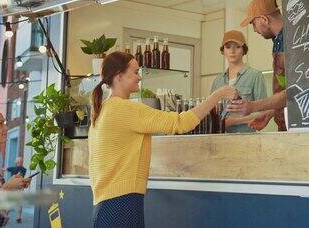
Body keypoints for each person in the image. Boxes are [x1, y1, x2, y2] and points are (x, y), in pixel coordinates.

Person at [89, 51, 237, 227]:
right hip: (121, 205)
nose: (139, 78)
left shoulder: (102, 109)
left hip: (107, 205)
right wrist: (217, 95)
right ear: (119, 76)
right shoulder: (125, 109)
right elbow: (182, 123)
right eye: (135, 72)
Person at [229, 0, 287, 131]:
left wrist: (253, 106)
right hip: (284, 123)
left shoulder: (291, 41)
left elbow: (295, 91)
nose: (254, 30)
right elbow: (285, 88)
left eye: (253, 24)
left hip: (298, 126)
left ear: (264, 19)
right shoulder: (278, 42)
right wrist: (271, 112)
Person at [210, 30, 270, 133]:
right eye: (228, 47)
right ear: (223, 51)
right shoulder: (217, 80)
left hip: (246, 138)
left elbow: (263, 113)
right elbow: (210, 111)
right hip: (219, 138)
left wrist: (234, 121)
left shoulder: (255, 76)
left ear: (244, 50)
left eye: (237, 47)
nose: (232, 51)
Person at [6, 157, 27, 223]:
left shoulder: (13, 168)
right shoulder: (24, 169)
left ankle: (6, 216)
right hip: (19, 188)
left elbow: (4, 169)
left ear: (16, 162)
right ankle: (19, 217)